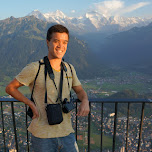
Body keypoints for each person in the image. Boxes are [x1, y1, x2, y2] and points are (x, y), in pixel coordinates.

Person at [5, 24, 90, 152]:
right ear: (47, 42)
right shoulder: (35, 68)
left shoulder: (69, 68)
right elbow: (10, 88)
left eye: (65, 42)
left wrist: (85, 101)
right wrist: (31, 104)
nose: (61, 46)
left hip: (67, 133)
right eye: (56, 41)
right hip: (42, 136)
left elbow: (80, 91)